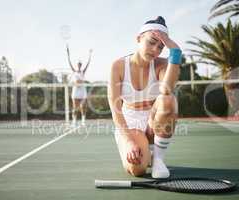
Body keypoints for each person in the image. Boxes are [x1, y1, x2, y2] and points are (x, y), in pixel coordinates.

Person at [108, 16, 181, 178]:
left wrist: (175, 53)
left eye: (161, 47)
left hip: (153, 121)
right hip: (130, 123)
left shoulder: (164, 64)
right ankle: (146, 154)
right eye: (151, 42)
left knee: (168, 100)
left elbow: (166, 89)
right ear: (138, 38)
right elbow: (115, 109)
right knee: (138, 169)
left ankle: (158, 160)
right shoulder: (118, 66)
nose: (155, 50)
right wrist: (129, 141)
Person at [66, 44, 93, 126]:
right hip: (75, 90)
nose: (79, 65)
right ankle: (74, 121)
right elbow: (69, 62)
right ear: (77, 65)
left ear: (81, 65)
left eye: (80, 64)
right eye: (78, 64)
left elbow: (88, 63)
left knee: (82, 106)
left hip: (82, 90)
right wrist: (68, 53)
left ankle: (83, 120)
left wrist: (90, 54)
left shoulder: (83, 71)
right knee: (75, 106)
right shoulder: (74, 71)